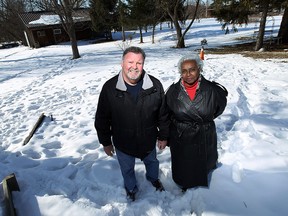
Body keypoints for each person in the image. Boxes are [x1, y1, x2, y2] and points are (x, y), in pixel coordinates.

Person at [94, 46, 169, 201]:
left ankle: (153, 179)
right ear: (122, 63)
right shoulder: (110, 88)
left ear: (143, 64)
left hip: (148, 140)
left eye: (139, 63)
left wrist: (163, 136)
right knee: (127, 170)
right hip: (123, 143)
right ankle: (131, 188)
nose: (134, 66)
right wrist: (106, 142)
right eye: (130, 62)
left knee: (152, 163)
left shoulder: (154, 85)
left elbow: (163, 114)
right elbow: (102, 118)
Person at [165, 54, 228, 191]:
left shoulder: (213, 90)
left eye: (192, 69)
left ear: (199, 69)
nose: (188, 74)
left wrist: (204, 120)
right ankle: (184, 185)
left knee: (204, 165)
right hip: (181, 135)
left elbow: (219, 108)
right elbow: (166, 114)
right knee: (183, 167)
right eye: (184, 71)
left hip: (204, 134)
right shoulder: (172, 92)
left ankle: (202, 189)